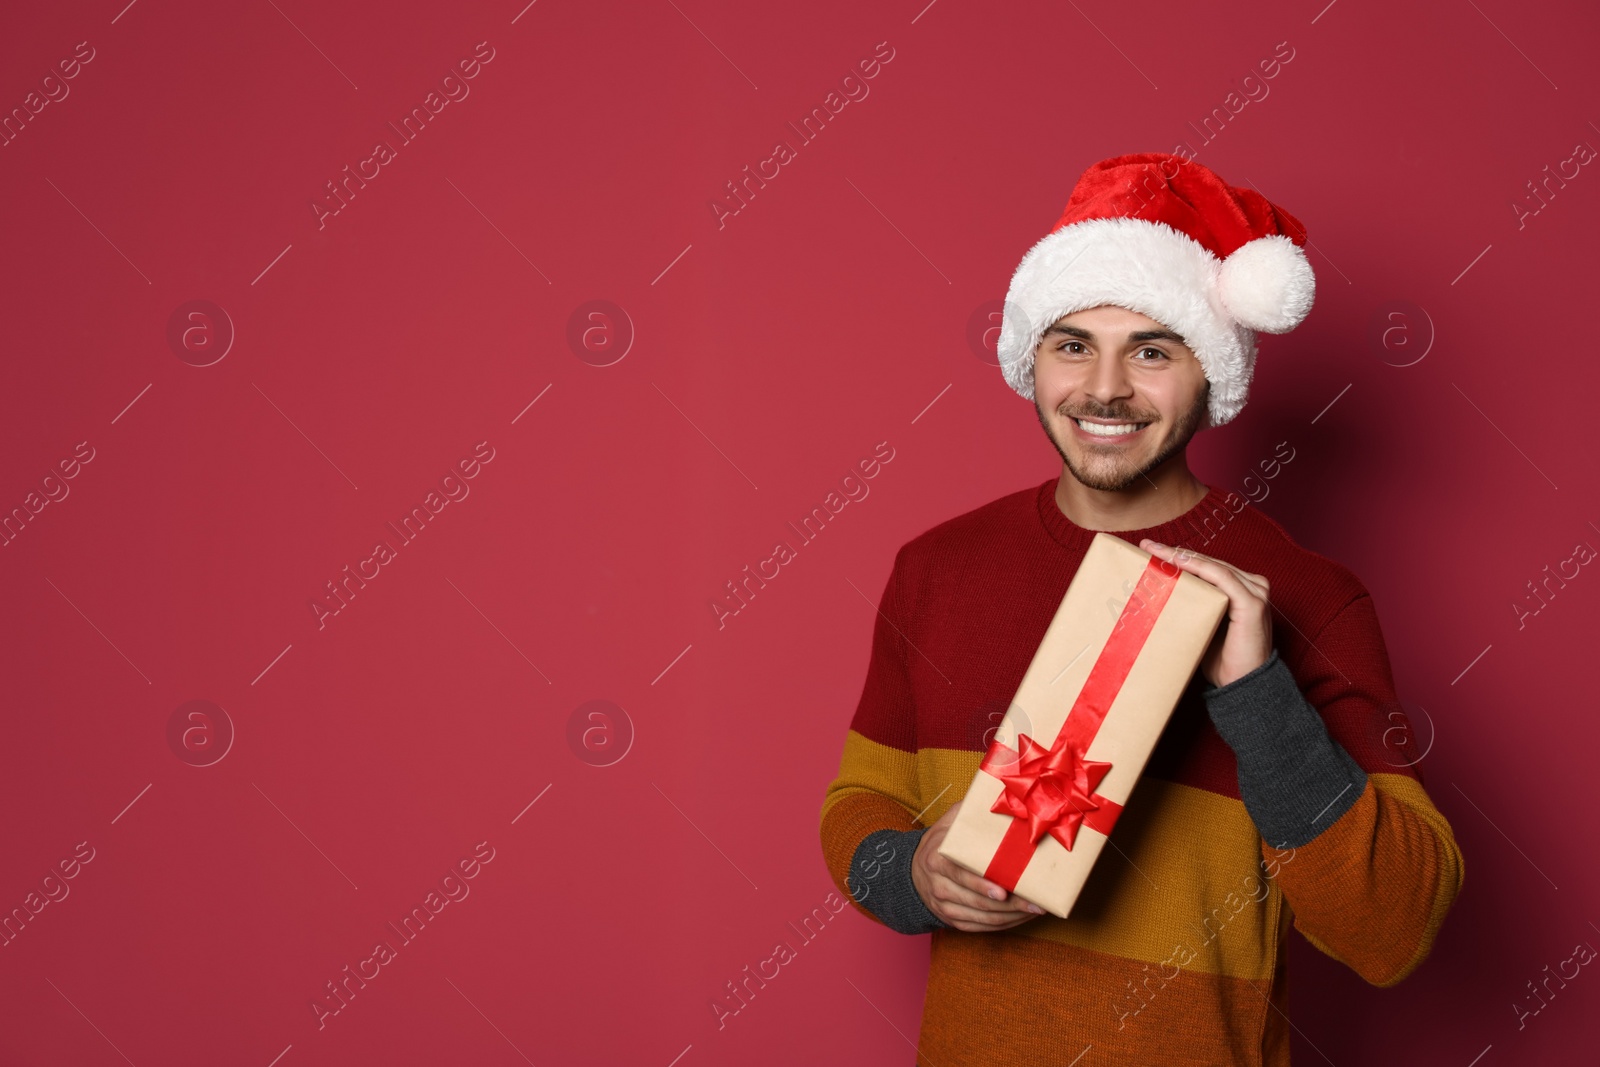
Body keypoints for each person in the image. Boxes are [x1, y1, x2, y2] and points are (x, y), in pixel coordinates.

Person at [817, 153, 1464, 1065]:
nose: (1106, 388)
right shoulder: (936, 566)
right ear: (1030, 358)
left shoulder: (1314, 596)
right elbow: (859, 802)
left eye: (1153, 349)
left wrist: (1257, 689)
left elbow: (1393, 927)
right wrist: (913, 875)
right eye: (1073, 343)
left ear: (1213, 372)